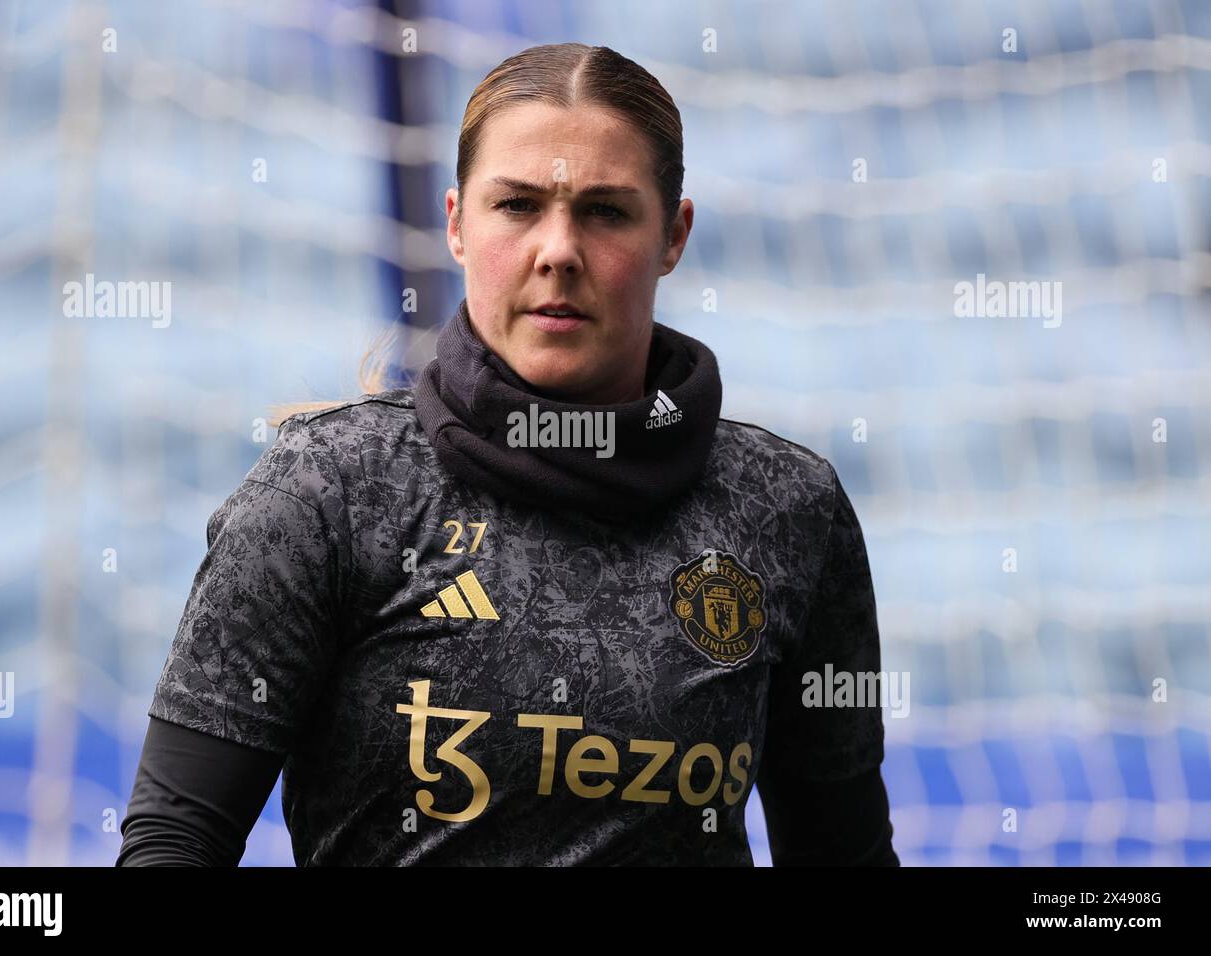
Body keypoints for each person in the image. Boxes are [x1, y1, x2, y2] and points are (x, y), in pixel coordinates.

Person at [116, 42, 899, 867]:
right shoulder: (330, 489)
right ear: (456, 223)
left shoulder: (785, 506)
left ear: (674, 235)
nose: (557, 250)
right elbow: (175, 841)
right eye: (518, 206)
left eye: (606, 211)